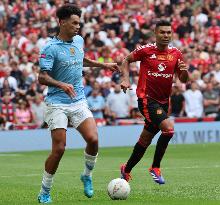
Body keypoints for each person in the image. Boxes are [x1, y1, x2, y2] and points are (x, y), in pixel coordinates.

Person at [37, 4, 119, 204]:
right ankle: (44, 191)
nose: (77, 26)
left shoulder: (79, 40)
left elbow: (80, 60)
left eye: (79, 23)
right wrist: (61, 84)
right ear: (61, 22)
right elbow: (42, 77)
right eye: (74, 23)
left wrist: (104, 65)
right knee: (59, 149)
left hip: (78, 100)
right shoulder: (49, 48)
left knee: (93, 139)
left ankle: (86, 176)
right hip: (56, 103)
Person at [119, 20, 189, 184]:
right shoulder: (145, 51)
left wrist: (185, 73)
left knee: (145, 140)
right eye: (162, 32)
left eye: (168, 32)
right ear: (155, 34)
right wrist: (125, 79)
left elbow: (183, 79)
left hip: (164, 102)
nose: (166, 35)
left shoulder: (176, 54)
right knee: (168, 129)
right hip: (146, 99)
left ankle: (126, 169)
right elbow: (125, 60)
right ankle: (155, 167)